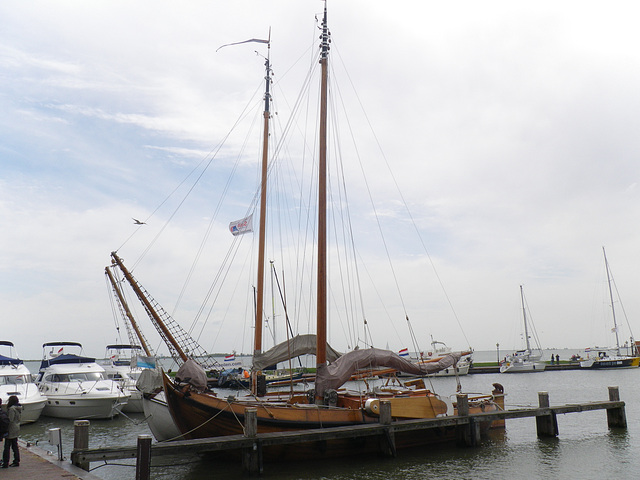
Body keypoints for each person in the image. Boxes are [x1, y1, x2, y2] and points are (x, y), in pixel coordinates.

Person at [1, 396, 21, 468]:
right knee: (15, 446)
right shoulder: (18, 408)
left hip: (11, 429)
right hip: (16, 428)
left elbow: (10, 420)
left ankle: (5, 462)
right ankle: (16, 460)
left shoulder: (12, 409)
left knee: (7, 446)